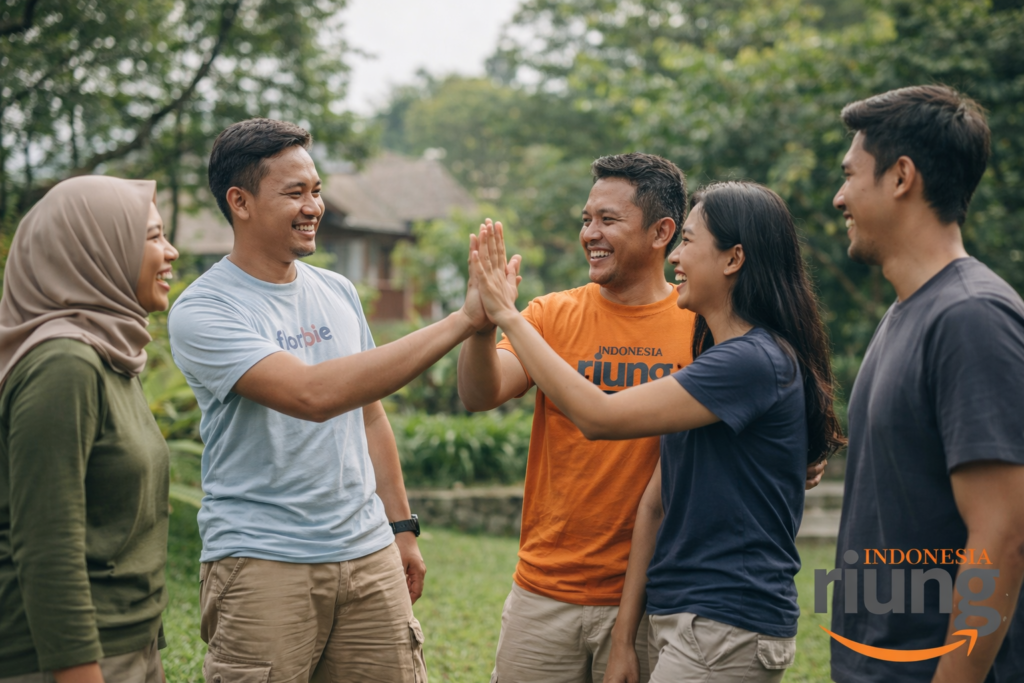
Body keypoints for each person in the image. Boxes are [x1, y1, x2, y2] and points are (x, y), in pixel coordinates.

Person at [167, 118, 513, 683]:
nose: (313, 206)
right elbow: (313, 395)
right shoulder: (205, 310)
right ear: (241, 201)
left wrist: (400, 527)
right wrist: (462, 321)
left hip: (367, 551)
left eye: (317, 190)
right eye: (294, 193)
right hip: (263, 560)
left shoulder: (336, 290)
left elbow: (369, 414)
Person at [470, 180, 845, 683]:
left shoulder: (744, 359)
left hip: (722, 617)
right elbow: (658, 499)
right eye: (586, 219)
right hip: (666, 608)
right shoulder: (716, 352)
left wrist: (506, 316)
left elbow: (600, 417)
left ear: (732, 259)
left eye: (687, 242)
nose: (677, 258)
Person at [457, 152, 696, 683]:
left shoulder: (699, 326)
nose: (591, 233)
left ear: (662, 232)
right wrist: (480, 323)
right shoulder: (550, 314)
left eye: (608, 220)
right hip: (544, 590)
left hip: (653, 595)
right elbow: (481, 393)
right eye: (586, 220)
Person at [830, 85, 1024, 683]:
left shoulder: (971, 317)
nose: (839, 197)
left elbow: (1003, 533)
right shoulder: (904, 311)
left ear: (901, 177)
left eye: (850, 175)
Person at [0, 176, 179, 683]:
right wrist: (78, 670)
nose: (171, 251)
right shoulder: (64, 363)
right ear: (96, 249)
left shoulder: (112, 356)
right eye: (152, 237)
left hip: (129, 643)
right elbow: (46, 543)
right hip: (72, 658)